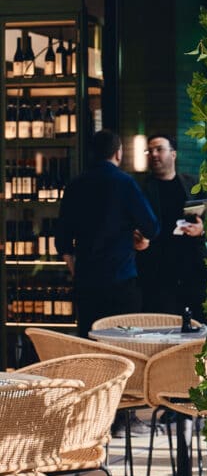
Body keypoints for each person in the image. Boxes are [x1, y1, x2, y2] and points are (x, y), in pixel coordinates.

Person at [56, 129, 160, 336]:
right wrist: (142, 239)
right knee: (124, 343)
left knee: (92, 343)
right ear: (118, 153)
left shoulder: (75, 186)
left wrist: (76, 271)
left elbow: (62, 241)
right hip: (120, 282)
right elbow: (152, 227)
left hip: (86, 283)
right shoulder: (124, 182)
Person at [135, 133, 207, 318]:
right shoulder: (141, 188)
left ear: (173, 154)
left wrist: (202, 229)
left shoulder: (192, 184)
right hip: (158, 269)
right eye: (149, 150)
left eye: (159, 149)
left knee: (198, 323)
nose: (153, 154)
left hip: (192, 267)